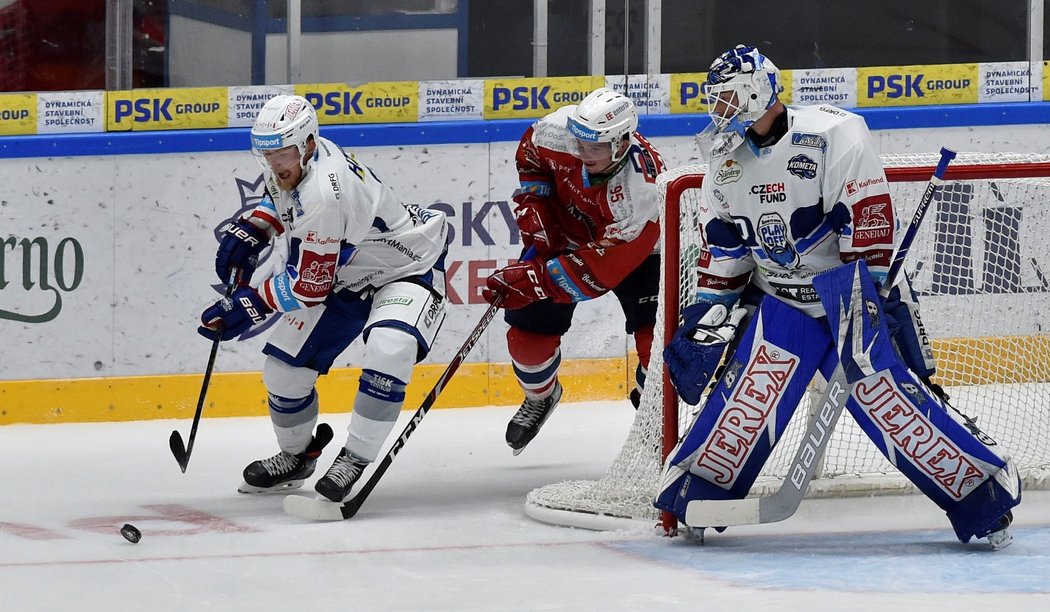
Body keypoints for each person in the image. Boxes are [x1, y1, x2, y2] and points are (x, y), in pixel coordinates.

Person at [655, 45, 1020, 549]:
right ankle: (700, 494)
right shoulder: (724, 163)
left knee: (888, 401)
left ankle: (985, 500)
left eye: (726, 100)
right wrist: (707, 313)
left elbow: (867, 229)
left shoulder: (832, 134)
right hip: (779, 298)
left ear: (758, 93)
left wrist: (870, 307)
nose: (717, 114)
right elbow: (727, 251)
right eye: (714, 102)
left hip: (845, 292)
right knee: (750, 395)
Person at [198, 94, 449, 503]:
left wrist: (249, 304)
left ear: (307, 144)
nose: (273, 163)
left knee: (391, 347)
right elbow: (284, 201)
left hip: (405, 269)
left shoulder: (326, 191)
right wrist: (254, 229)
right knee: (282, 372)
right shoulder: (299, 160)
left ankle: (355, 458)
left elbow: (309, 286)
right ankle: (298, 457)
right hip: (346, 274)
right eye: (265, 153)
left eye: (281, 152)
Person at [481, 87, 666, 453]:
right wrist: (536, 201)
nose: (583, 154)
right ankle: (541, 398)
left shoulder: (642, 188)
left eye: (595, 148)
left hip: (638, 254)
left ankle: (653, 417)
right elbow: (531, 156)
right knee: (526, 342)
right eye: (580, 143)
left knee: (656, 346)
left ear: (623, 141)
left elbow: (598, 272)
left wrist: (535, 280)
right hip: (565, 238)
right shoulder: (559, 130)